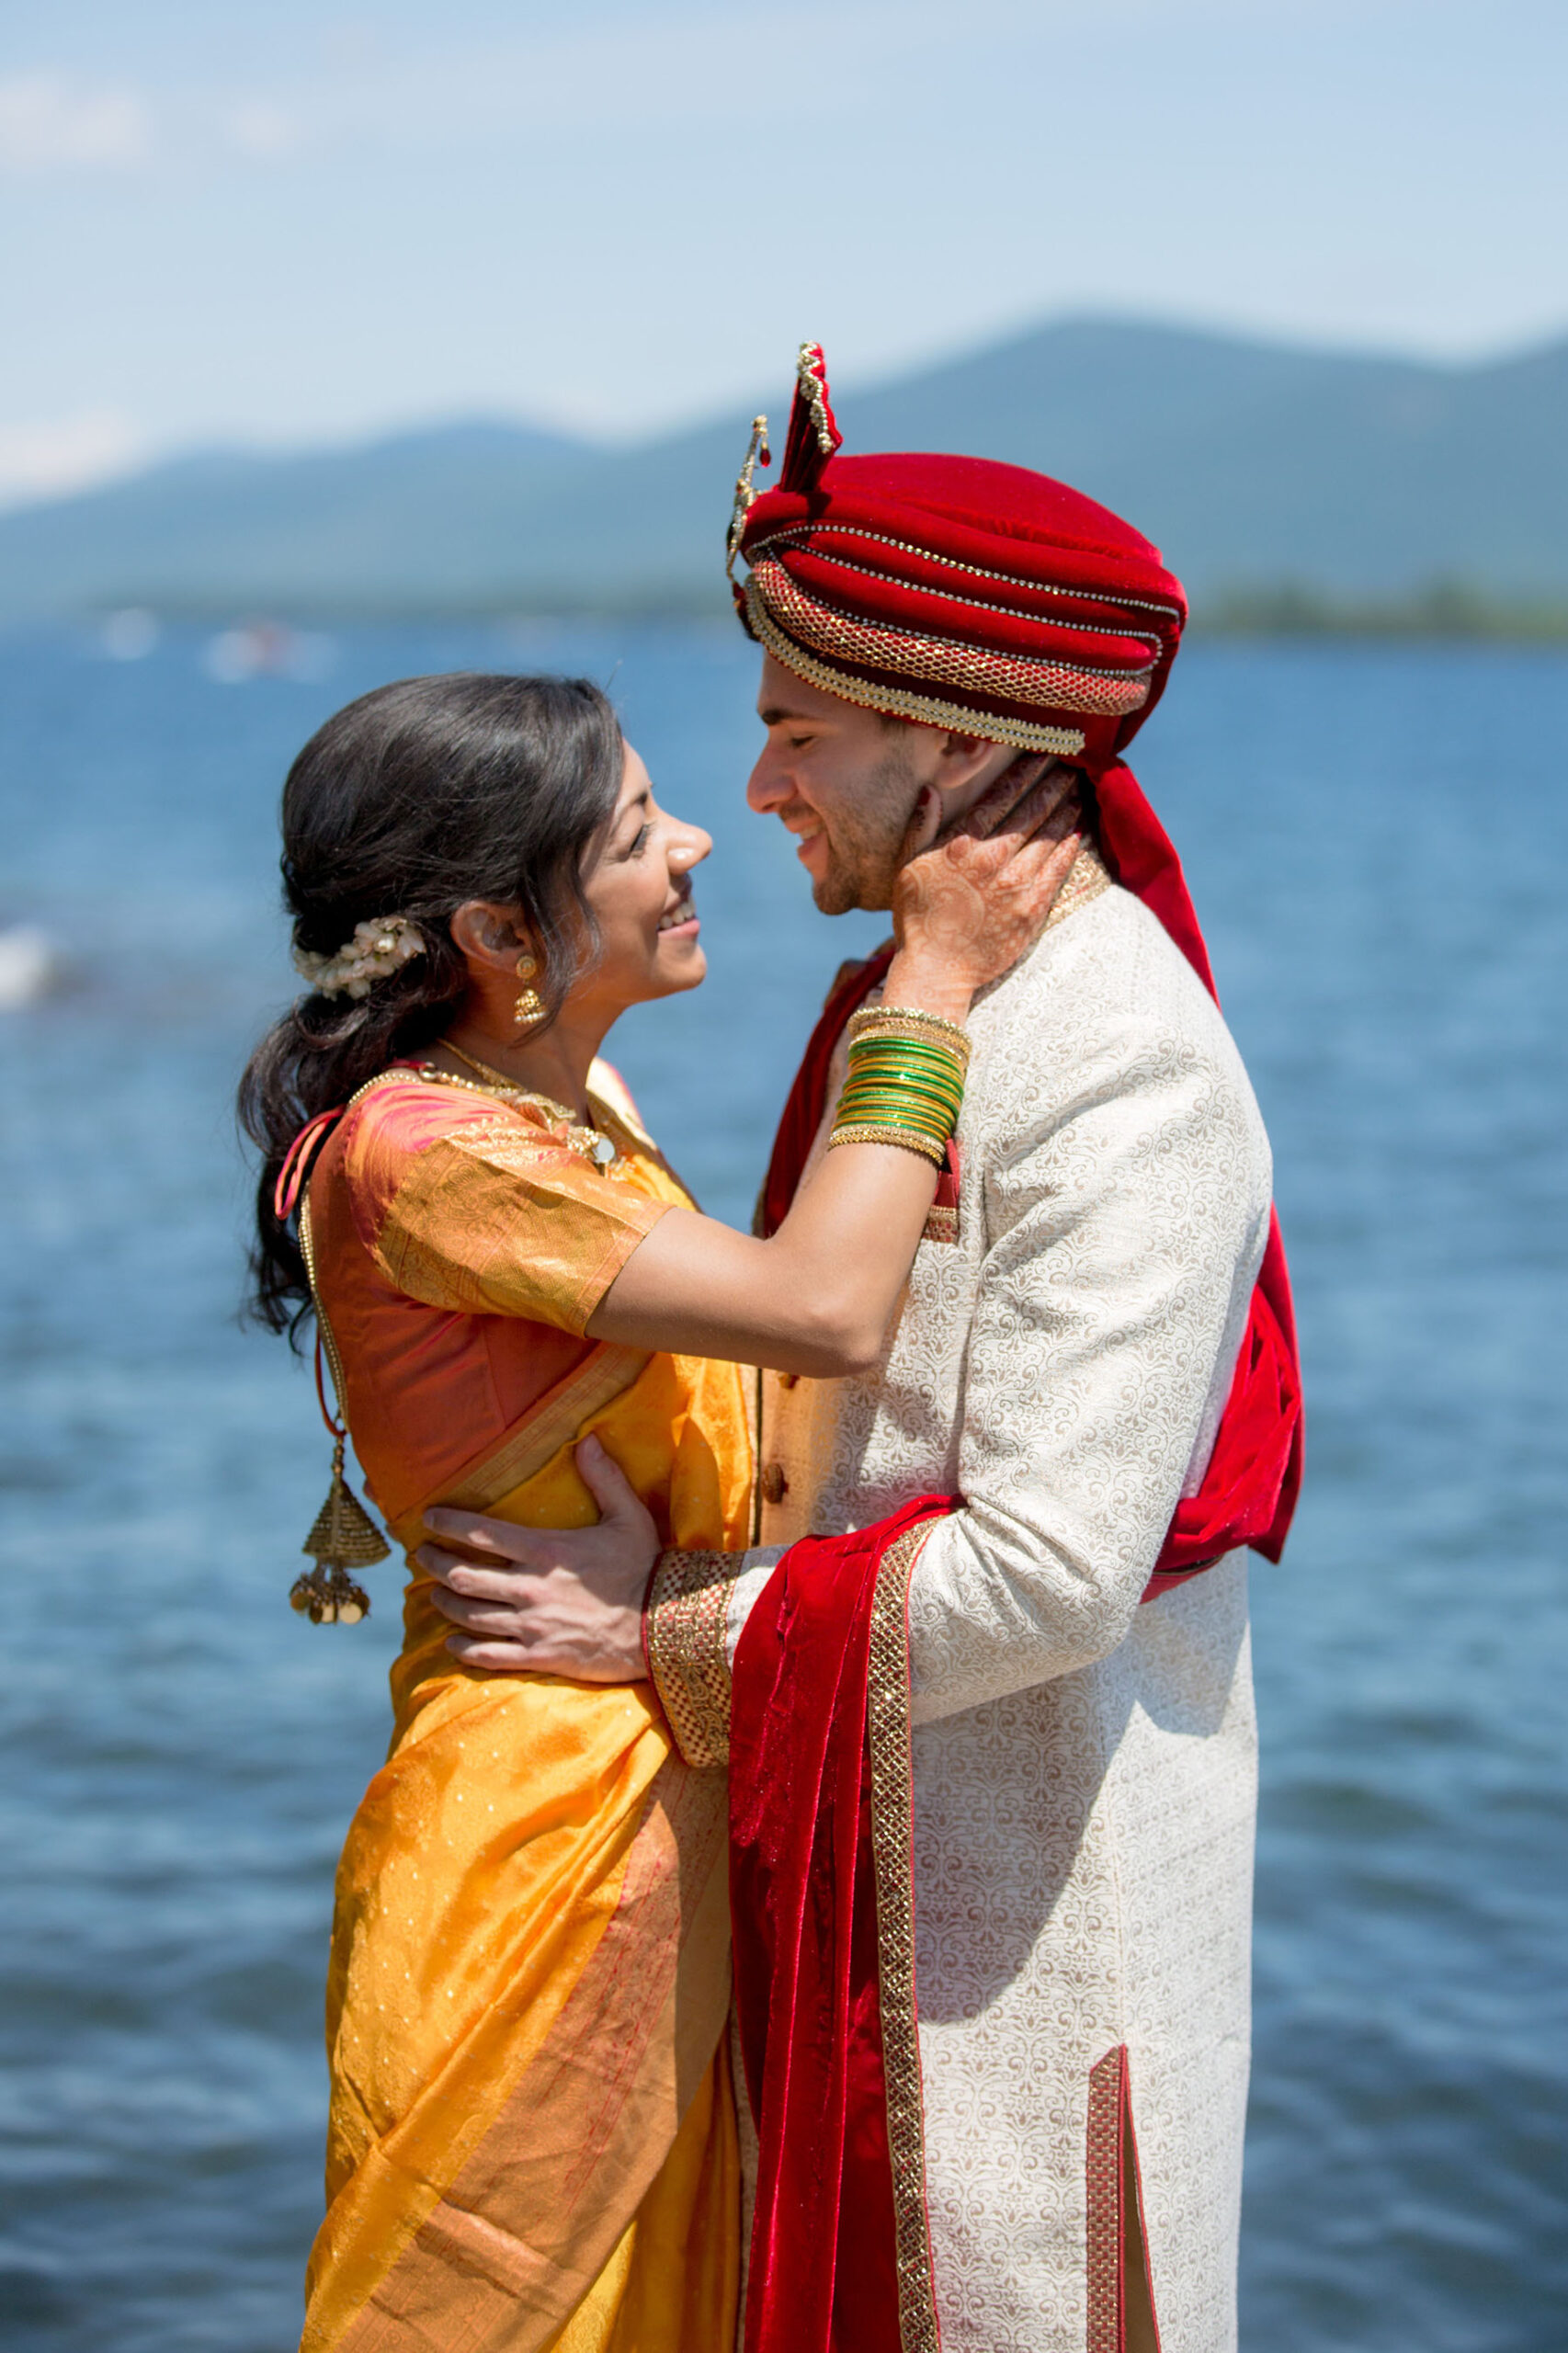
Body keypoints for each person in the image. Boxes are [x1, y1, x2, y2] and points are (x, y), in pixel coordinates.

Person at [417, 348, 1303, 2353]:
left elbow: (1052, 1576)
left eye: (794, 730)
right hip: (861, 1909)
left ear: (961, 740)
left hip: (1022, 1976)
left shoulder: (1127, 1071)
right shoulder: (926, 1002)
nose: (755, 789)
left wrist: (654, 1624)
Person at [238, 669, 1080, 2353]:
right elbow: (825, 1310)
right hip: (537, 1820)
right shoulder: (431, 1156)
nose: (695, 837)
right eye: (633, 830)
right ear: (497, 926)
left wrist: (678, 1603)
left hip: (647, 1758)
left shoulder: (563, 1107)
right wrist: (928, 980)